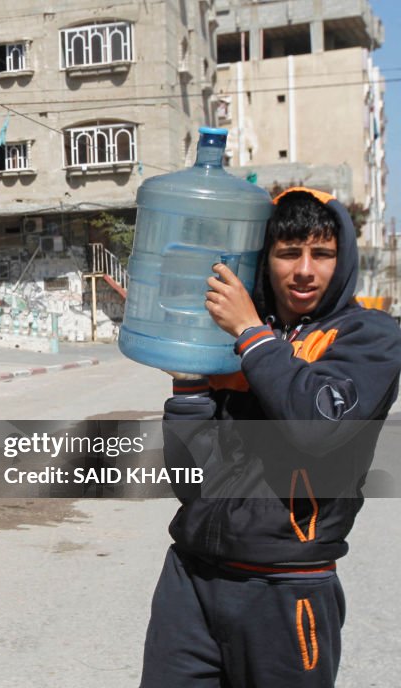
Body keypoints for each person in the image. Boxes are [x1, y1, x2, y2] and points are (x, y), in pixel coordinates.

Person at [140, 187, 401, 687]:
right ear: (266, 258)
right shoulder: (236, 338)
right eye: (288, 253)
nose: (304, 270)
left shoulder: (369, 335)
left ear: (342, 260)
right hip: (191, 578)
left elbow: (319, 426)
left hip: (286, 586)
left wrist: (251, 335)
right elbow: (190, 480)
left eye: (322, 254)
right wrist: (189, 382)